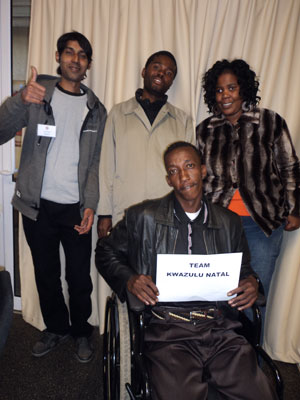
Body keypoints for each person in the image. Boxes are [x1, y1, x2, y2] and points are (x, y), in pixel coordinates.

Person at [95, 141, 277, 399]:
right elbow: (104, 251)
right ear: (168, 180)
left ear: (203, 170)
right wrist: (129, 279)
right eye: (173, 170)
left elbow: (243, 269)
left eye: (189, 166)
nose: (183, 176)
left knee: (258, 393)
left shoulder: (229, 223)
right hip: (167, 331)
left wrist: (251, 282)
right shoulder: (143, 217)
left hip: (220, 327)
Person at [0, 31, 107, 362]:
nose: (75, 59)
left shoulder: (95, 109)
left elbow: (93, 165)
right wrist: (20, 99)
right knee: (46, 274)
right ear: (59, 56)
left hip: (75, 209)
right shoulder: (37, 95)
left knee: (78, 278)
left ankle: (80, 333)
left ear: (88, 64)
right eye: (70, 53)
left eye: (82, 55)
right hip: (36, 207)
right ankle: (56, 328)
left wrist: (91, 205)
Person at [196, 59, 300, 336]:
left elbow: (289, 166)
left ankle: (249, 367)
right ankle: (220, 362)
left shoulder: (270, 121)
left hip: (262, 225)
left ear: (244, 90)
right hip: (218, 226)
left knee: (253, 297)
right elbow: (200, 179)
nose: (225, 95)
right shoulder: (205, 130)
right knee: (218, 298)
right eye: (219, 90)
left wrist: (294, 208)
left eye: (231, 88)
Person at [97, 50, 194, 238]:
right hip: (123, 212)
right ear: (144, 71)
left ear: (172, 81)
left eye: (168, 72)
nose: (161, 74)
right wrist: (104, 213)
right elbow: (106, 167)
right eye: (156, 67)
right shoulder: (118, 113)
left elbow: (189, 175)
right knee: (124, 266)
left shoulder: (183, 121)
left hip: (167, 216)